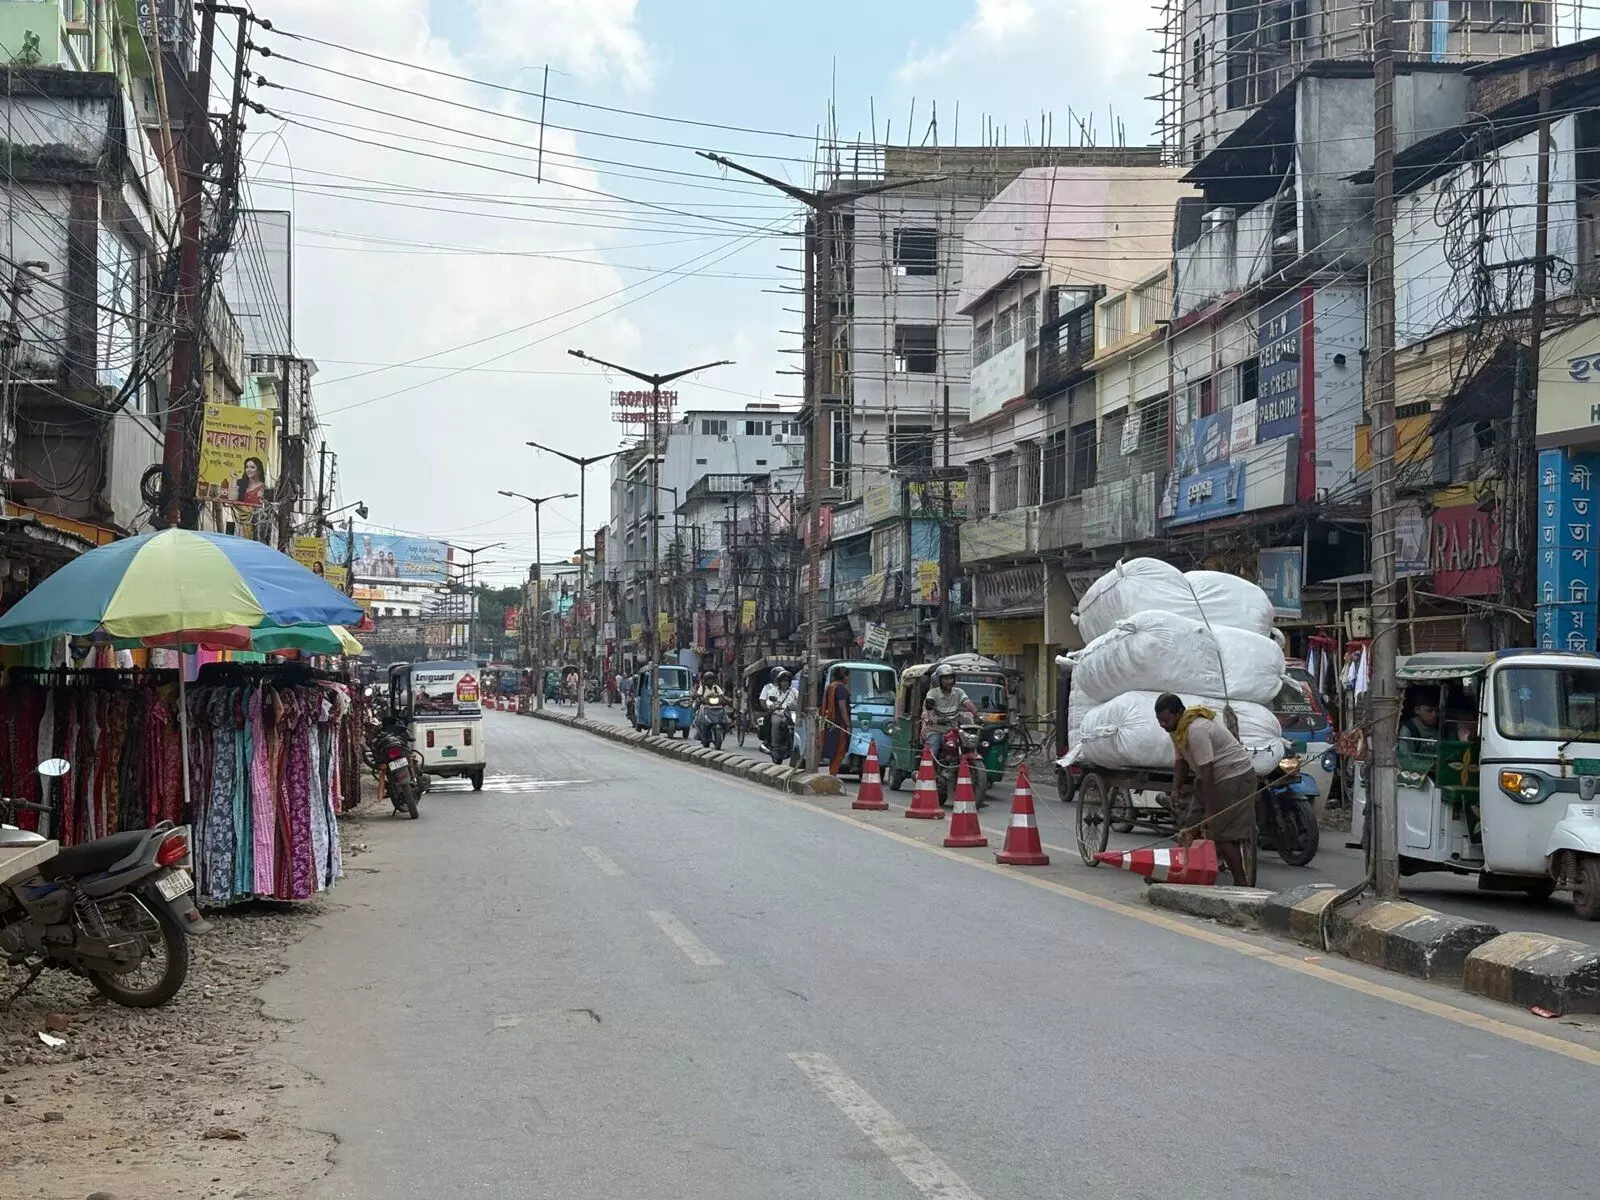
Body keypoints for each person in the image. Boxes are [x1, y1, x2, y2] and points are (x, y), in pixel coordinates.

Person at [1153, 693, 1258, 887]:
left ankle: (1241, 882)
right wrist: (1175, 790)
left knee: (1220, 832)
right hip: (1209, 778)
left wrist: (1210, 812)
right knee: (1189, 827)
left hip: (1233, 777)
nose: (1163, 725)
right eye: (1160, 721)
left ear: (1179, 712)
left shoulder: (1196, 730)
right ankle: (1177, 873)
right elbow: (1181, 762)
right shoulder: (1177, 730)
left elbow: (1208, 772)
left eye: (1166, 720)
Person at [922, 664, 978, 757]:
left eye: (951, 678)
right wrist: (932, 717)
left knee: (968, 745)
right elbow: (929, 706)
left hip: (954, 730)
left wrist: (977, 714)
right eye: (946, 679)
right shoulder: (933, 693)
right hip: (937, 730)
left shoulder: (958, 692)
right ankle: (929, 769)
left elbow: (967, 703)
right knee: (932, 752)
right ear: (938, 680)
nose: (950, 681)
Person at [821, 664, 852, 775]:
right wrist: (848, 724)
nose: (848, 679)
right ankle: (833, 775)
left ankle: (832, 773)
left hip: (830, 723)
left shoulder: (830, 686)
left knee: (833, 751)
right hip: (839, 725)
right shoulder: (841, 688)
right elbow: (842, 707)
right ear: (844, 676)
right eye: (848, 676)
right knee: (839, 750)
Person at [759, 668, 792, 748]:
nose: (785, 683)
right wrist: (770, 708)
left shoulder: (793, 691)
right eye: (783, 680)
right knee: (775, 721)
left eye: (787, 681)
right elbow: (764, 701)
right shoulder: (769, 688)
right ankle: (774, 744)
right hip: (776, 712)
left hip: (789, 713)